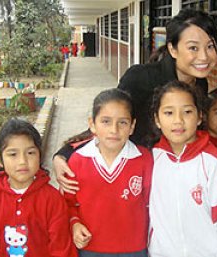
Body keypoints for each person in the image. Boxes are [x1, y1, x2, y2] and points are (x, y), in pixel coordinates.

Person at [53, 8, 217, 194]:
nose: (204, 57)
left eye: (210, 46)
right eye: (193, 48)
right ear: (172, 49)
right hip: (132, 177)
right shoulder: (141, 78)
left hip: (170, 176)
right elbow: (110, 118)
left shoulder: (200, 84)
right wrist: (65, 154)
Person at [148, 80, 217, 256]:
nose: (178, 120)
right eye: (169, 113)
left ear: (200, 117)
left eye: (187, 112)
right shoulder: (153, 159)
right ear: (157, 119)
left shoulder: (214, 162)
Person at [0, 118, 77, 257]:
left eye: (30, 153)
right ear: (0, 160)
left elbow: (61, 248)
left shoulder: (53, 200)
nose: (23, 161)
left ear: (40, 156)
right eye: (13, 154)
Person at [63, 88, 153, 257]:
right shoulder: (78, 160)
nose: (114, 130)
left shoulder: (144, 159)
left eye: (123, 122)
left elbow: (152, 204)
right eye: (106, 121)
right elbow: (68, 203)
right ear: (92, 124)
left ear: (132, 126)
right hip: (91, 247)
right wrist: (74, 224)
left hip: (134, 248)